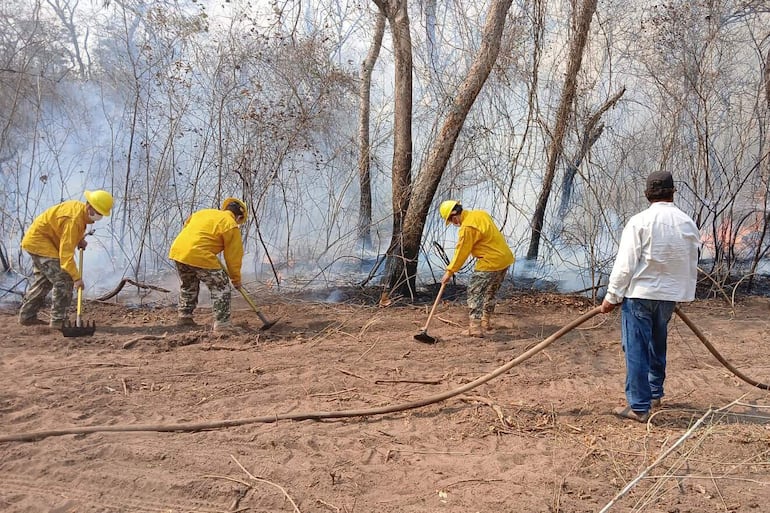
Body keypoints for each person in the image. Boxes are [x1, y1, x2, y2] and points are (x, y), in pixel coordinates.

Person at [600, 171, 700, 423]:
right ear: (672, 192)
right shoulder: (687, 222)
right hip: (668, 298)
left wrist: (611, 296)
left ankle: (639, 406)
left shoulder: (639, 222)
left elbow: (625, 264)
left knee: (636, 350)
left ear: (647, 195)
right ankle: (655, 394)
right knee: (657, 344)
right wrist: (680, 291)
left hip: (639, 297)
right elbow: (690, 260)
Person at [18, 190, 114, 327]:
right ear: (89, 206)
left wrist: (79, 239)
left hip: (41, 241)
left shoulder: (79, 211)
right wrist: (76, 278)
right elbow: (66, 256)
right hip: (40, 243)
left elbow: (66, 232)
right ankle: (58, 321)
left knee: (44, 281)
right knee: (64, 279)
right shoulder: (74, 220)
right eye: (98, 212)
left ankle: (27, 316)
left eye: (101, 213)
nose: (99, 216)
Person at [168, 197, 247, 332]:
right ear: (239, 217)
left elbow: (189, 228)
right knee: (221, 287)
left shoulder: (203, 213)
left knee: (189, 284)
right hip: (199, 254)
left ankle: (184, 316)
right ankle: (223, 325)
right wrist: (236, 279)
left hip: (178, 251)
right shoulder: (230, 224)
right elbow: (233, 257)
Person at [439, 200, 515, 337]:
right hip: (505, 258)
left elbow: (462, 252)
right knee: (490, 291)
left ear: (454, 215)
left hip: (490, 261)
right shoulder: (480, 214)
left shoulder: (467, 227)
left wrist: (449, 271)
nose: (454, 223)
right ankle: (486, 322)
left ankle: (475, 328)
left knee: (475, 292)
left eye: (451, 220)